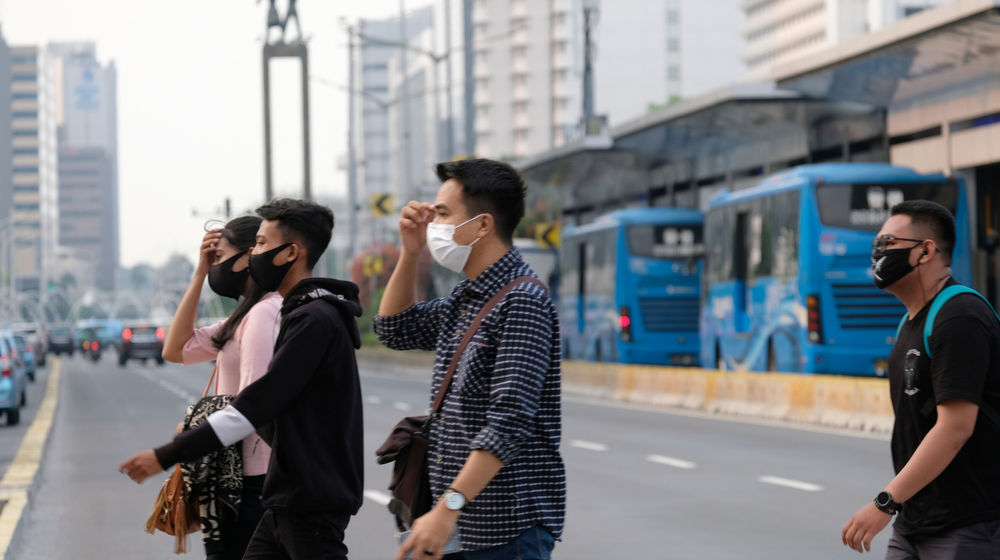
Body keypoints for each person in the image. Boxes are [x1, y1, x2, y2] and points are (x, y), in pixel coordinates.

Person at [121, 198, 365, 560]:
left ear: (291, 252)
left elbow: (256, 404)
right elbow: (179, 350)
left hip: (298, 492)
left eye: (263, 245)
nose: (254, 256)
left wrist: (169, 453)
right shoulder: (294, 313)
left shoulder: (307, 319)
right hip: (288, 493)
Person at [375, 158, 566, 560]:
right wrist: (409, 254)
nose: (434, 226)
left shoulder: (522, 302)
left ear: (482, 225)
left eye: (443, 214)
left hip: (506, 529)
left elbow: (509, 421)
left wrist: (448, 510)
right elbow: (394, 329)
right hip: (460, 529)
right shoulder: (467, 299)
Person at [842, 200, 1000, 557]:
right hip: (915, 522)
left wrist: (885, 503)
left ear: (925, 251)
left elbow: (955, 427)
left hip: (969, 525)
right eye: (875, 247)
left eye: (887, 245)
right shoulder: (911, 324)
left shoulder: (959, 317)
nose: (877, 255)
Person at [160, 216, 282, 560]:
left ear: (246, 258)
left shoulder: (263, 314)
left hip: (250, 478)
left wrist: (191, 431)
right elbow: (175, 349)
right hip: (233, 473)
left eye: (219, 258)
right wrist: (199, 273)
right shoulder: (242, 318)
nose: (216, 267)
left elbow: (251, 403)